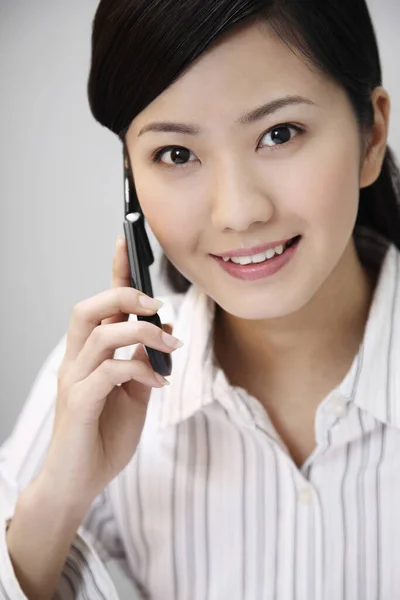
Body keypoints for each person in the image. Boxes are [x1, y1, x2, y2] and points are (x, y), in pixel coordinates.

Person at [1, 0, 400, 598]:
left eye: (279, 133)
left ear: (370, 136)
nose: (238, 212)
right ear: (132, 178)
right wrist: (59, 496)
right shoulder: (95, 385)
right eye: (177, 154)